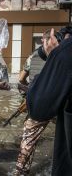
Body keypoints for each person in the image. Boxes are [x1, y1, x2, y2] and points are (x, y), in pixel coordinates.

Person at [26, 25, 72, 175]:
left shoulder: (64, 52)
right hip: (55, 100)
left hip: (46, 99)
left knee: (28, 141)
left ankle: (20, 171)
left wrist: (55, 55)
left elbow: (37, 109)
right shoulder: (33, 57)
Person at [14, 29, 53, 175]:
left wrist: (27, 93)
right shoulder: (63, 56)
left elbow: (21, 80)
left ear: (43, 39)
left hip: (38, 104)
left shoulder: (33, 57)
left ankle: (21, 171)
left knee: (28, 141)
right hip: (59, 103)